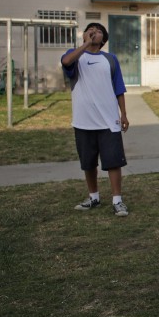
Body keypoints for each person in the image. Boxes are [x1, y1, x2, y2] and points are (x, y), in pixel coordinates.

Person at [61, 22, 130, 217]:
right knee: (88, 162)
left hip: (109, 121)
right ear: (84, 35)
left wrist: (123, 114)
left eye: (98, 31)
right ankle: (94, 197)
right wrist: (85, 44)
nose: (94, 32)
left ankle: (117, 201)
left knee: (113, 162)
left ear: (103, 39)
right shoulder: (75, 56)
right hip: (83, 121)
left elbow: (119, 88)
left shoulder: (110, 59)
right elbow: (66, 62)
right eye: (90, 29)